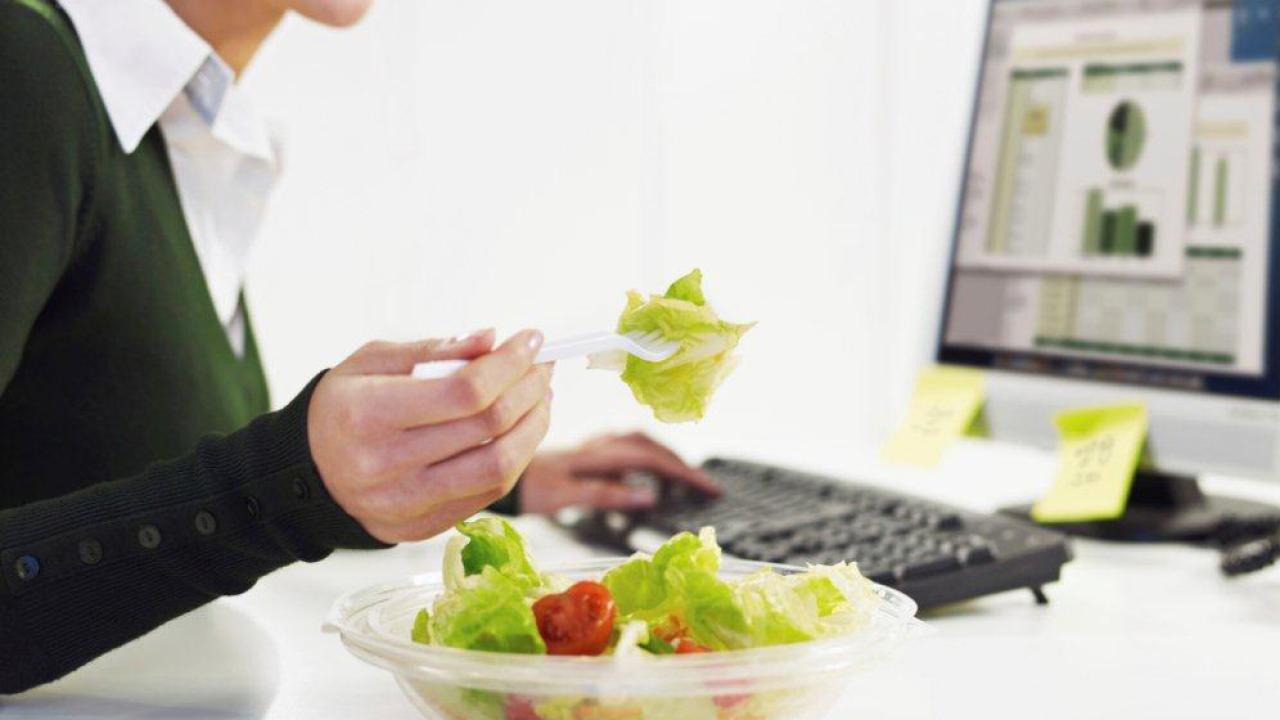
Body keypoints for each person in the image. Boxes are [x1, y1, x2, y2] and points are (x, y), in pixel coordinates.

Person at [0, 0, 718, 693]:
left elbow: (120, 489)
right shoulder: (24, 73)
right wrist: (294, 482)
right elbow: (236, 497)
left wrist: (455, 471)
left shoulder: (172, 125)